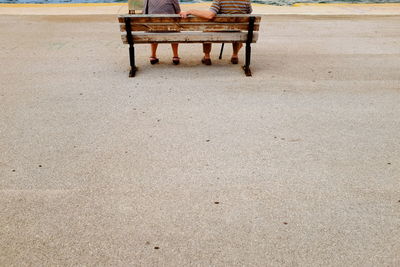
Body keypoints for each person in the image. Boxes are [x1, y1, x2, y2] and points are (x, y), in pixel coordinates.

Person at [180, 0, 252, 65]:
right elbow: (248, 12)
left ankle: (207, 57)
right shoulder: (246, 0)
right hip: (236, 29)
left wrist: (191, 11)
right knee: (237, 30)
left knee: (206, 31)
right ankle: (235, 55)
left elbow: (209, 15)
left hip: (222, 29)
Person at [143, 0, 181, 65]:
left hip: (153, 30)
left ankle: (153, 56)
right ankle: (175, 56)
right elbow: (178, 12)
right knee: (175, 28)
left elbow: (144, 14)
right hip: (170, 29)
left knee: (153, 27)